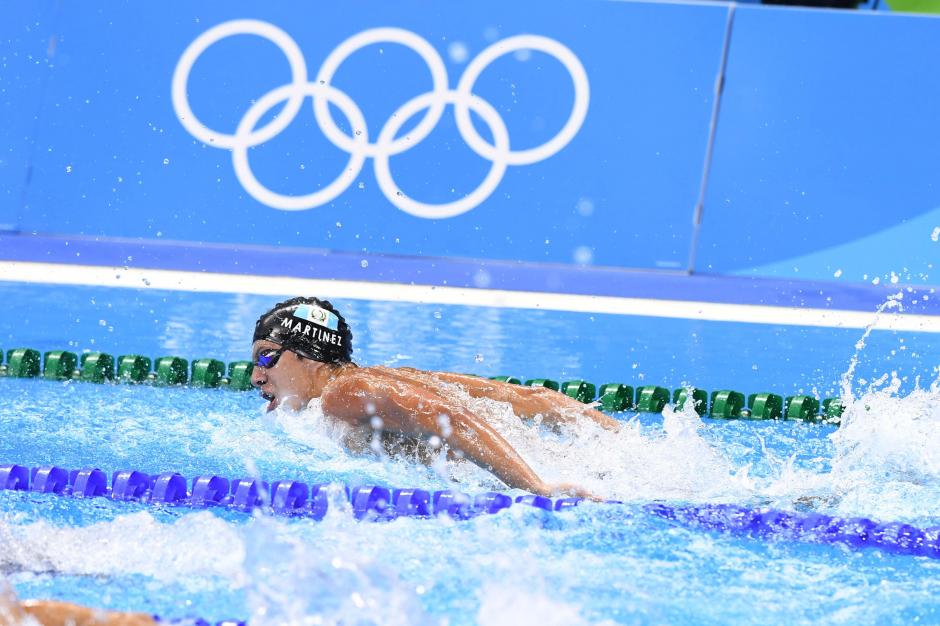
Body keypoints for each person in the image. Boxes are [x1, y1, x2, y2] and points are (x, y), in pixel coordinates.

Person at [251, 297, 621, 498]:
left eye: (266, 356)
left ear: (308, 357)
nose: (256, 375)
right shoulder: (389, 379)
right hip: (565, 461)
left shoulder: (342, 394)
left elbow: (446, 418)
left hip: (538, 472)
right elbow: (529, 398)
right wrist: (625, 441)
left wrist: (535, 487)